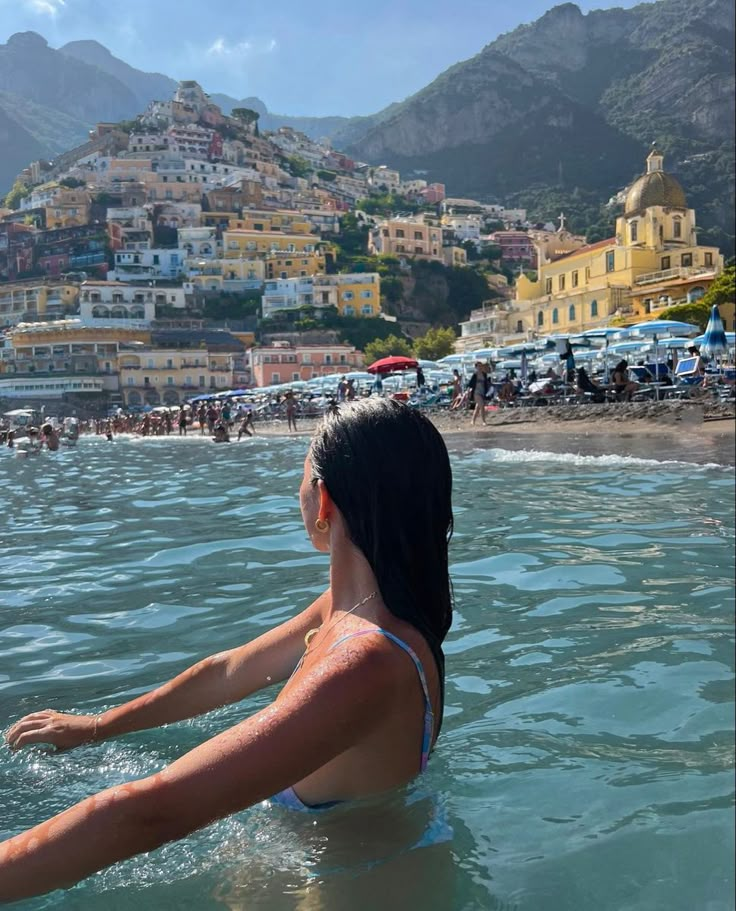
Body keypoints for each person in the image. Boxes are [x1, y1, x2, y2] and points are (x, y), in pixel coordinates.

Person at [0, 399, 453, 902]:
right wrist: (99, 726)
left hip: (339, 894)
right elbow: (227, 670)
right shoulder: (354, 612)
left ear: (324, 501)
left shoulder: (367, 662)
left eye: (300, 479)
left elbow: (154, 812)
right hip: (323, 872)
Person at [467, 361, 490, 426]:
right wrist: (468, 392)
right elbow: (470, 384)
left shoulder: (484, 374)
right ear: (476, 367)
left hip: (482, 392)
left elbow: (486, 383)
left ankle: (472, 421)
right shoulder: (475, 375)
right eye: (478, 366)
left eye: (481, 366)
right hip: (476, 392)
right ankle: (484, 421)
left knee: (478, 407)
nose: (480, 367)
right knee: (482, 405)